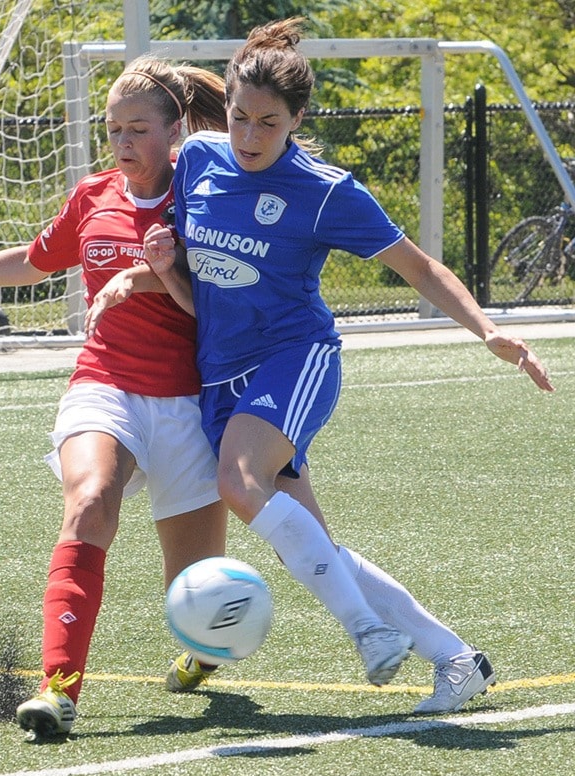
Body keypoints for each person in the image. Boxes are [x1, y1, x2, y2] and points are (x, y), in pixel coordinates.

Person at [136, 17, 554, 714]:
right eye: (240, 117)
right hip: (220, 376)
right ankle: (457, 657)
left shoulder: (326, 191)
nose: (248, 135)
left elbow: (419, 267)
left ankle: (366, 629)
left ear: (297, 120)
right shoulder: (200, 161)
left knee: (238, 481)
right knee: (318, 547)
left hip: (295, 357)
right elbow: (199, 281)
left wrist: (488, 331)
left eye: (268, 123)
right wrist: (153, 274)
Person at [0, 56, 232, 739]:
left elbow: (227, 301)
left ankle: (204, 650)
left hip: (189, 403)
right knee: (90, 500)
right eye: (113, 129)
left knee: (198, 601)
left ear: (175, 130)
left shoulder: (210, 198)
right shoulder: (93, 195)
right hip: (105, 384)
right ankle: (58, 690)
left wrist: (160, 274)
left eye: (138, 129)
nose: (123, 143)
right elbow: (34, 260)